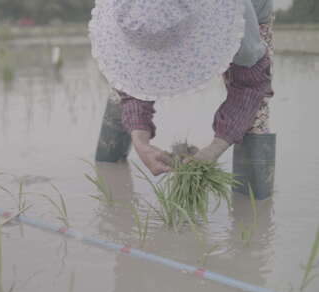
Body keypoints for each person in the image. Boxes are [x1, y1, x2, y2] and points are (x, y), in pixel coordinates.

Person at [90, 0, 274, 176]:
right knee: (124, 80)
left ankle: (253, 203)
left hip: (247, 13)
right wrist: (141, 142)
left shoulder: (238, 18)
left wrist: (215, 148)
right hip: (151, 27)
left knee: (255, 114)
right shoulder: (125, 14)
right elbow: (130, 76)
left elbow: (251, 83)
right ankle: (109, 166)